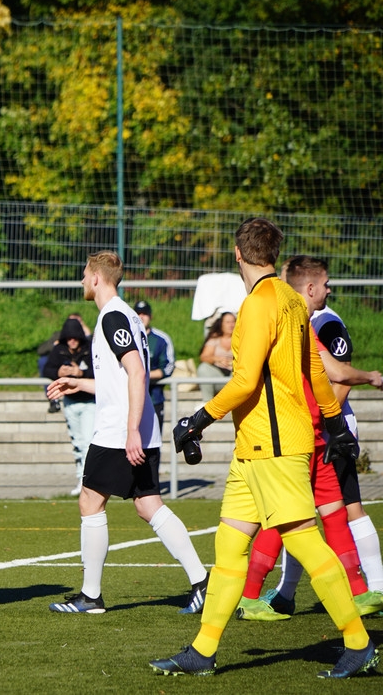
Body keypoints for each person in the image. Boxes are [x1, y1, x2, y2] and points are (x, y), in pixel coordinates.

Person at [151, 218, 377, 679]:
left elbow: (245, 381)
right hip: (256, 447)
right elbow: (315, 370)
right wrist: (335, 424)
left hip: (273, 446)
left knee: (305, 541)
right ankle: (203, 650)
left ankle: (358, 643)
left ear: (238, 254)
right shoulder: (293, 300)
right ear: (274, 253)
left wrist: (197, 419)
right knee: (230, 543)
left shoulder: (257, 304)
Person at [44, 251, 208, 615]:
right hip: (135, 426)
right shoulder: (125, 315)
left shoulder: (113, 316)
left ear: (96, 278)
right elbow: (120, 380)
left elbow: (136, 372)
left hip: (120, 429)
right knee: (148, 505)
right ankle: (201, 581)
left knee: (90, 501)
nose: (82, 281)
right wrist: (81, 384)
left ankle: (91, 596)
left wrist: (131, 430)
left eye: (85, 274)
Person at [238, 256, 383, 620]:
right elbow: (335, 372)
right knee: (284, 518)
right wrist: (370, 376)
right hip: (292, 436)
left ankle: (359, 592)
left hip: (316, 435)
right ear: (309, 288)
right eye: (326, 284)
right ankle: (250, 597)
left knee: (332, 512)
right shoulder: (291, 320)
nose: (329, 290)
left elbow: (329, 373)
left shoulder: (304, 321)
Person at [42, 317, 94, 496]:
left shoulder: (90, 348)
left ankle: (88, 482)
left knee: (88, 442)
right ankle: (81, 479)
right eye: (69, 337)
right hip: (70, 402)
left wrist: (81, 373)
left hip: (90, 402)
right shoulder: (59, 350)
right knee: (77, 442)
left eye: (75, 337)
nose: (72, 341)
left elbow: (99, 371)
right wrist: (59, 372)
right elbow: (47, 369)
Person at [133, 301, 175, 431]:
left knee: (154, 440)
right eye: (138, 313)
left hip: (154, 398)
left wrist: (143, 375)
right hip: (130, 398)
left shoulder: (161, 339)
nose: (141, 317)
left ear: (150, 316)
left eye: (145, 314)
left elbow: (167, 367)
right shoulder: (127, 337)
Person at [196, 311, 235, 403]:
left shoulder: (242, 339)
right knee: (203, 368)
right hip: (218, 374)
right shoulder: (215, 339)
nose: (231, 325)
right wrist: (217, 359)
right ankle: (207, 402)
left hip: (234, 376)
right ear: (221, 324)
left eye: (233, 322)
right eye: (228, 322)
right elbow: (204, 357)